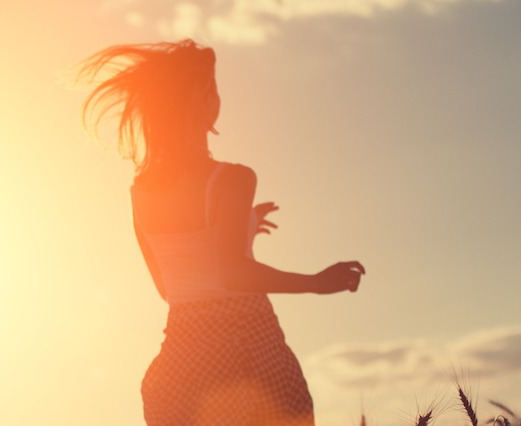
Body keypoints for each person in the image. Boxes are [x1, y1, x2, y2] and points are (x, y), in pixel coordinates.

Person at [74, 39, 366, 425]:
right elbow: (232, 275)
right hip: (247, 352)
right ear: (198, 102)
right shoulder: (234, 178)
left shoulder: (140, 193)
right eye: (211, 88)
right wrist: (315, 281)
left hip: (181, 365)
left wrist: (241, 229)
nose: (216, 97)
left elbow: (173, 287)